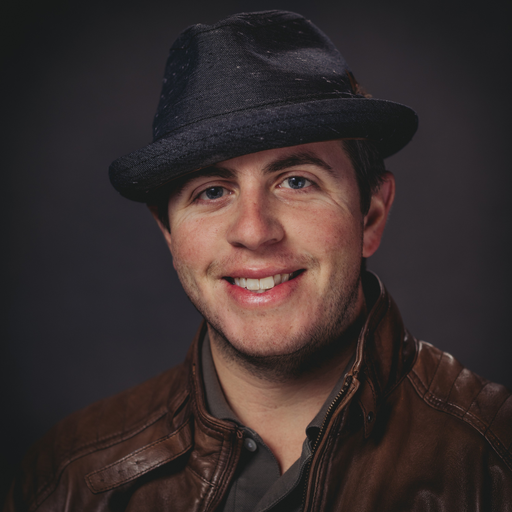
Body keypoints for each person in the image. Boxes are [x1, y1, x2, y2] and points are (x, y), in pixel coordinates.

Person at [5, 10, 512, 512]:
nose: (253, 231)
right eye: (212, 191)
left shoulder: (495, 462)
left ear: (371, 215)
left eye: (297, 181)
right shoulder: (64, 481)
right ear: (169, 233)